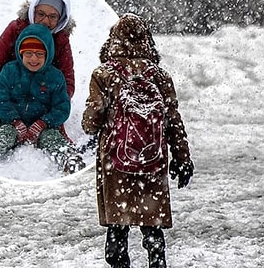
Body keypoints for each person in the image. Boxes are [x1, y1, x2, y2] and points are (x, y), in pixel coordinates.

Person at [81, 14, 194, 268]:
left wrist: (89, 124)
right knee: (151, 223)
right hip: (152, 161)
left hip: (116, 161)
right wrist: (182, 158)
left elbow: (92, 120)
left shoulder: (104, 74)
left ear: (113, 40)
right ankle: (156, 259)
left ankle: (119, 259)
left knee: (118, 224)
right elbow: (173, 121)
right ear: (147, 41)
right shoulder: (160, 76)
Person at [0, 23, 84, 173]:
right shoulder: (9, 71)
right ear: (20, 53)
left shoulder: (55, 77)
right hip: (13, 123)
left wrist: (43, 123)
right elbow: (1, 99)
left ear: (48, 54)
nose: (33, 59)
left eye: (39, 54)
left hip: (44, 126)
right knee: (4, 135)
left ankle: (68, 159)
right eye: (28, 53)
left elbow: (62, 107)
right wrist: (14, 120)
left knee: (52, 139)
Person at [0, 0, 76, 136]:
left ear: (60, 19)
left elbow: (67, 78)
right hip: (13, 90)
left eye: (53, 16)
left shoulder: (61, 39)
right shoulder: (16, 29)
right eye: (41, 14)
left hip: (43, 94)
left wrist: (54, 112)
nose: (45, 21)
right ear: (33, 11)